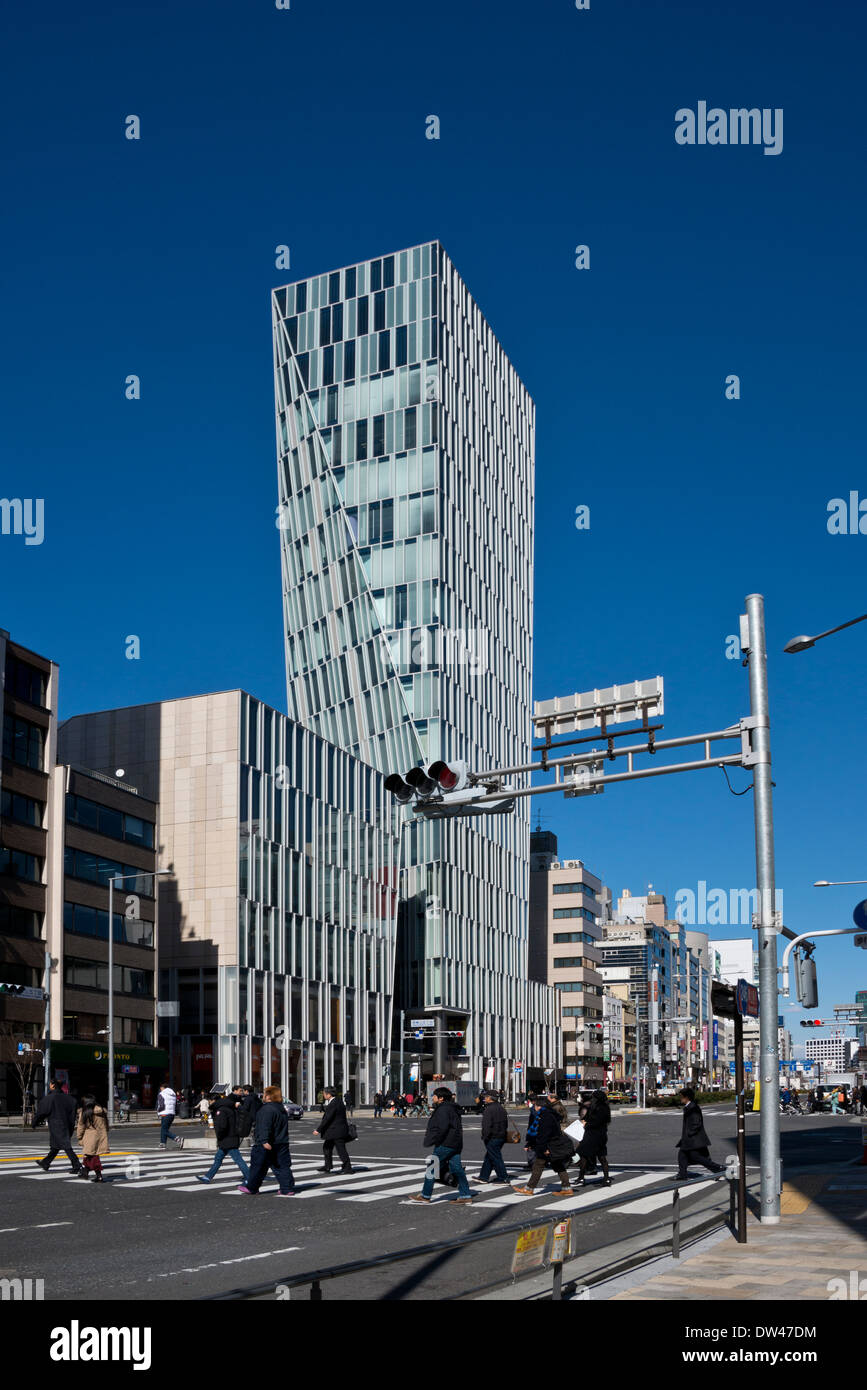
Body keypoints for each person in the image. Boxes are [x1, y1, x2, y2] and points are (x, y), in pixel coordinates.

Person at [409, 1086, 473, 1204]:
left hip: (445, 1144)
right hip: (456, 1143)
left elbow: (442, 1128)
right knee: (457, 1169)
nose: (432, 1097)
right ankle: (465, 1195)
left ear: (441, 1098)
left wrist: (434, 1140)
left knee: (432, 1169)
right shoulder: (453, 1108)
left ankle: (425, 1195)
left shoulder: (443, 1109)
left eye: (434, 1095)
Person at [238, 1085, 296, 1196]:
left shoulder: (267, 1109)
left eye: (265, 1094)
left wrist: (264, 1141)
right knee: (282, 1166)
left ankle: (252, 1188)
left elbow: (264, 1126)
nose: (263, 1096)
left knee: (258, 1166)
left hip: (267, 1143)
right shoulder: (281, 1109)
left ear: (269, 1096)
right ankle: (287, 1188)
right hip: (281, 1142)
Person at [512, 1097, 572, 1197]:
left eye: (535, 1105)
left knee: (538, 1166)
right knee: (558, 1165)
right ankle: (567, 1188)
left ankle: (529, 1188)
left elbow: (544, 1134)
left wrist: (544, 1148)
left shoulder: (545, 1116)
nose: (534, 1107)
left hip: (549, 1146)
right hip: (553, 1145)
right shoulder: (549, 1114)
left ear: (539, 1106)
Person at [197, 1093, 250, 1184]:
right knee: (218, 1158)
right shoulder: (228, 1107)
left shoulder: (221, 1110)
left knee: (238, 1159)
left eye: (210, 1100)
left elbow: (222, 1126)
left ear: (213, 1100)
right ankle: (208, 1177)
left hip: (227, 1139)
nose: (209, 1102)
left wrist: (220, 1137)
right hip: (230, 1138)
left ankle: (250, 1178)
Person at [34, 1080, 82, 1174]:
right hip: (67, 1124)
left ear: (53, 1085)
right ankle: (46, 1162)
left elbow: (42, 1112)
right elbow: (74, 1108)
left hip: (56, 1124)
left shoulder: (50, 1098)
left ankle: (76, 1164)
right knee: (56, 1146)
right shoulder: (69, 1098)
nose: (49, 1085)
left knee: (66, 1145)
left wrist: (35, 1122)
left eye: (50, 1084)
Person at [676, 1087, 724, 1179]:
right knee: (683, 1155)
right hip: (690, 1138)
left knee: (695, 1157)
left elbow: (697, 1123)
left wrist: (689, 1134)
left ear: (687, 1098)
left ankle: (718, 1168)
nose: (680, 1099)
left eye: (681, 1097)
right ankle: (682, 1174)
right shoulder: (689, 1107)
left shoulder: (693, 1107)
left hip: (693, 1139)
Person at [574, 1086, 612, 1188]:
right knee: (601, 1157)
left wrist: (586, 1124)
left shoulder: (599, 1108)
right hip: (600, 1135)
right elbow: (587, 1118)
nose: (592, 1099)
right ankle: (606, 1178)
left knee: (584, 1156)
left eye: (593, 1097)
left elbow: (595, 1121)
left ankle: (581, 1178)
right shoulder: (603, 1107)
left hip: (592, 1135)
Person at [314, 1086, 354, 1173]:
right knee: (327, 1147)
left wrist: (318, 1130)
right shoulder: (338, 1101)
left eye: (324, 1093)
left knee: (341, 1150)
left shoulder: (333, 1104)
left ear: (328, 1094)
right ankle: (328, 1165)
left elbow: (327, 1118)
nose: (323, 1095)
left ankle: (348, 1168)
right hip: (336, 1130)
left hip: (336, 1131)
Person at [475, 1090, 510, 1185]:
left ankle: (503, 1178)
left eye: (486, 1097)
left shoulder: (489, 1109)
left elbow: (486, 1126)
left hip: (492, 1137)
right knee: (490, 1156)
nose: (484, 1098)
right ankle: (483, 1177)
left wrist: (485, 1137)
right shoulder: (501, 1108)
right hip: (501, 1135)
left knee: (496, 1157)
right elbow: (506, 1123)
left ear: (490, 1098)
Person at [76, 1094, 110, 1182]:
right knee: (89, 1155)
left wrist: (79, 1137)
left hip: (89, 1136)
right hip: (101, 1135)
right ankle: (85, 1173)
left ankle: (99, 1176)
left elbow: (81, 1126)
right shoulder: (101, 1111)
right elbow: (106, 1124)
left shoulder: (85, 1112)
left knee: (92, 1156)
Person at [156, 1084, 184, 1149]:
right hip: (172, 1113)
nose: (160, 1089)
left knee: (164, 1130)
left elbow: (161, 1104)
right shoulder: (173, 1094)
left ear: (162, 1088)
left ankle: (177, 1139)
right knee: (165, 1129)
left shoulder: (161, 1094)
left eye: (160, 1088)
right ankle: (162, 1143)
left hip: (165, 1113)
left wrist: (158, 1111)